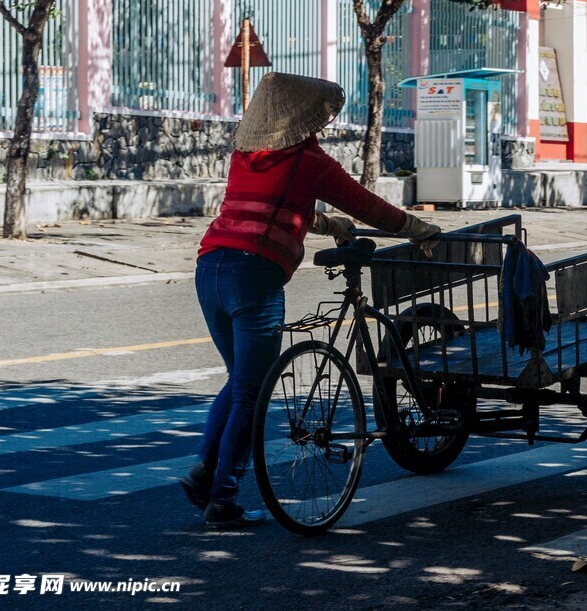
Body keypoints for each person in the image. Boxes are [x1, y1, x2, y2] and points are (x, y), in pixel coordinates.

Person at [180, 72, 440, 528]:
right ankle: (221, 499)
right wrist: (418, 229)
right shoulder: (310, 161)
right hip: (254, 273)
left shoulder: (245, 154)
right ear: (303, 123)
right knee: (252, 389)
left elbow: (269, 202)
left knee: (240, 379)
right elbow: (369, 207)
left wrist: (326, 224)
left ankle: (205, 470)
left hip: (210, 267)